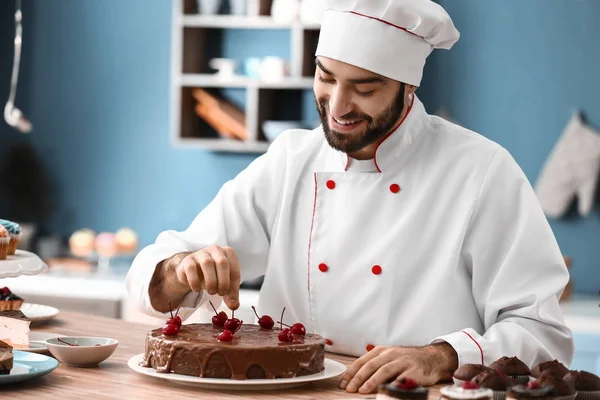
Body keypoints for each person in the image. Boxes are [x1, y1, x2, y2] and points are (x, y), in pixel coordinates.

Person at [126, 0, 574, 394]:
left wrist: (438, 357)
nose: (338, 107)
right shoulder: (291, 159)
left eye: (365, 88)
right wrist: (180, 271)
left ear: (409, 87)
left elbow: (541, 334)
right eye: (326, 78)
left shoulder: (481, 170)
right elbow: (154, 277)